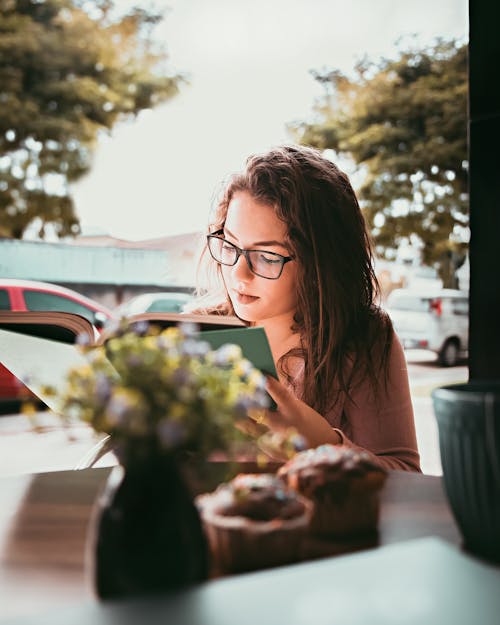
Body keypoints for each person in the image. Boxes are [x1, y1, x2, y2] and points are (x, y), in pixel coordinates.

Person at [200, 144, 420, 472]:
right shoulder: (198, 330)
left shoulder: (363, 339)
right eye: (230, 244)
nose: (238, 274)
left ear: (320, 265)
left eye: (267, 257)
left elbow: (406, 477)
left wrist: (323, 444)